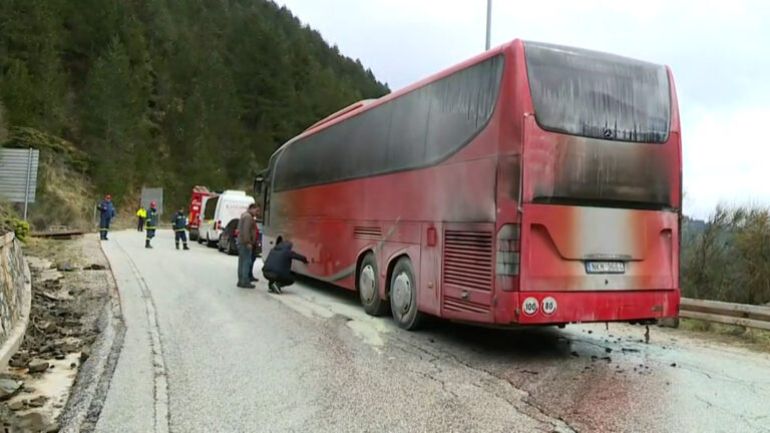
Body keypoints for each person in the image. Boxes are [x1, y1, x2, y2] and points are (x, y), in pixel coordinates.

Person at [236, 204, 260, 288]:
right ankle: (245, 281)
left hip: (241, 242)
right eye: (256, 210)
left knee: (242, 262)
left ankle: (240, 280)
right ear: (252, 208)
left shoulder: (244, 215)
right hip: (245, 243)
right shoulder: (248, 217)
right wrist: (248, 242)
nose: (257, 213)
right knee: (246, 262)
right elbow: (246, 230)